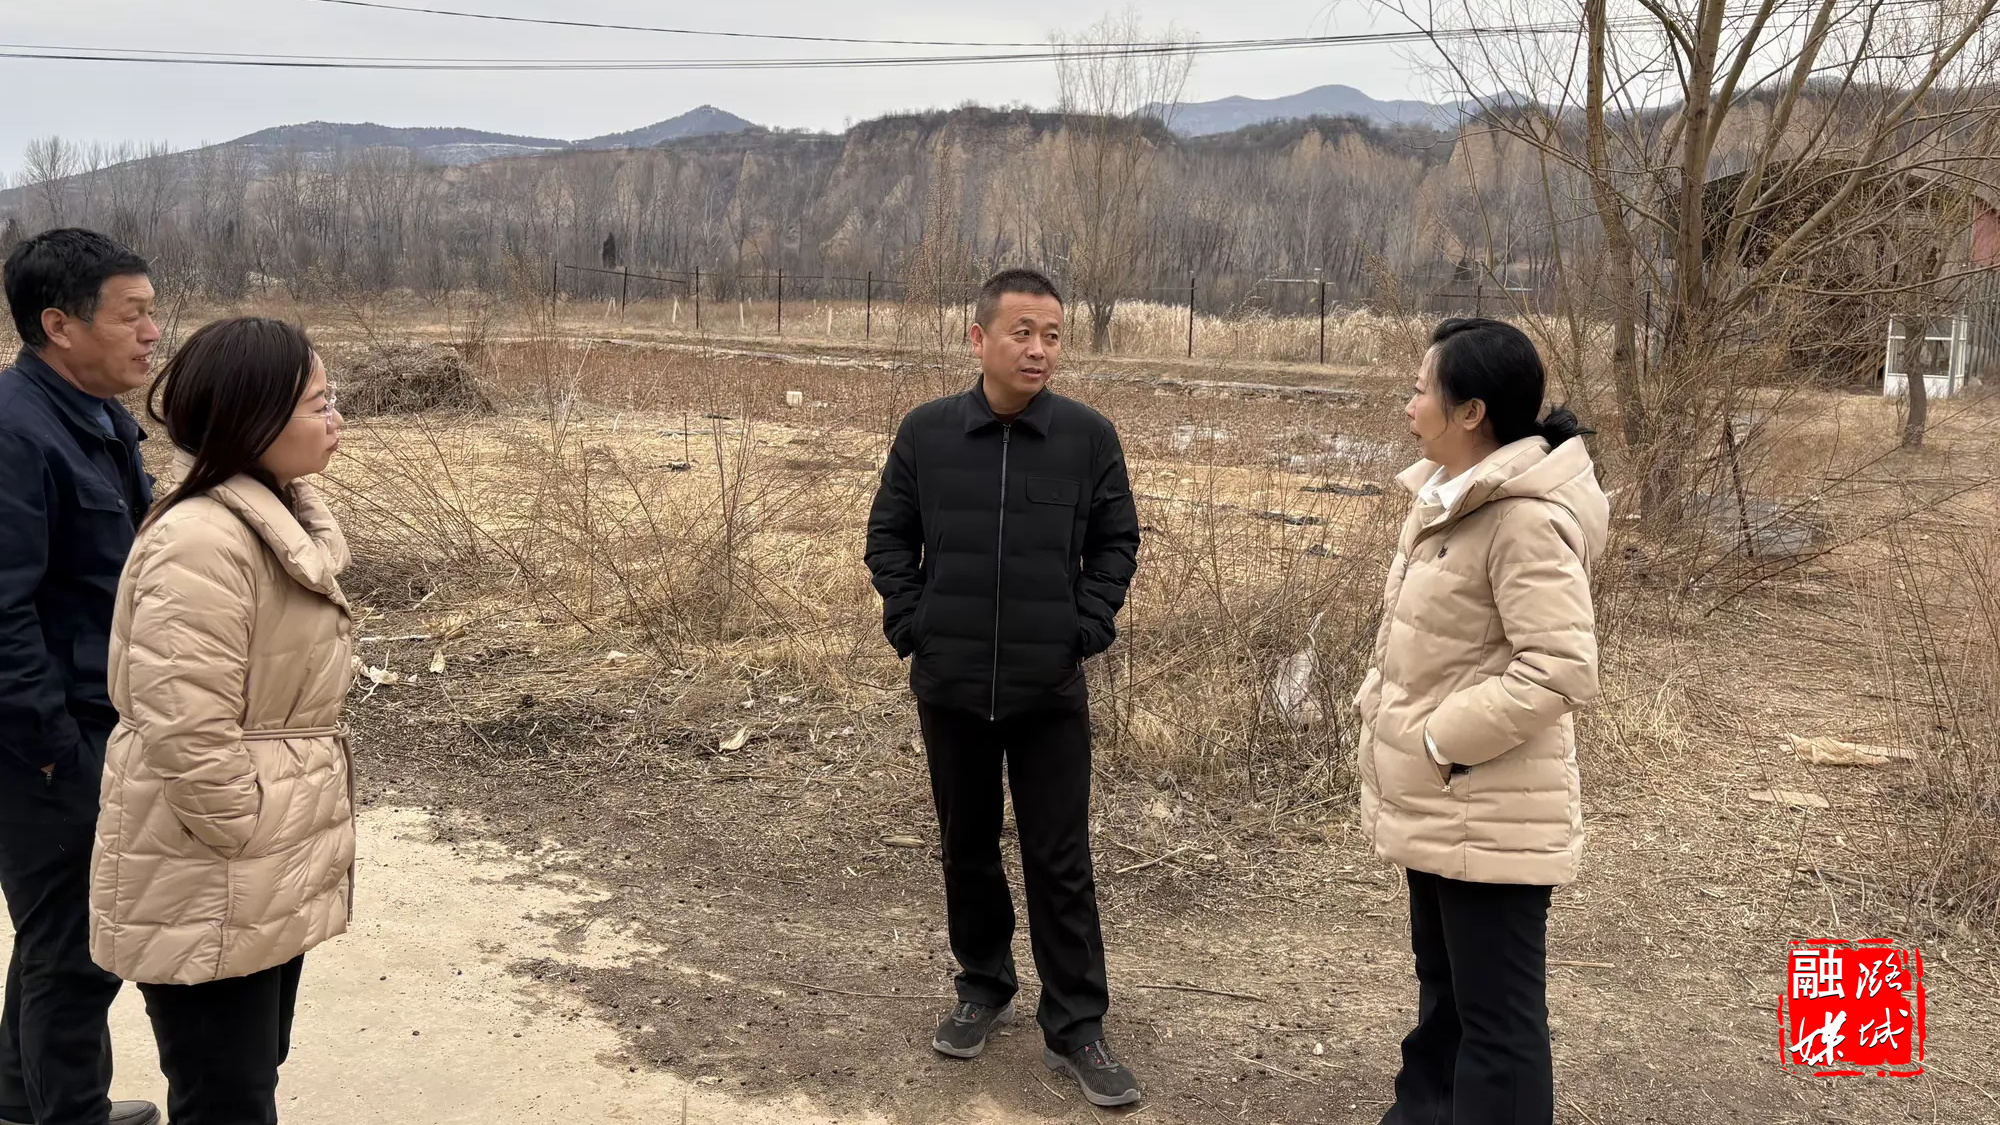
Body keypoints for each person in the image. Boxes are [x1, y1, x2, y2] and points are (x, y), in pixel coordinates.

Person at [864, 269, 1142, 1107]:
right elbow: (888, 536)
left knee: (1060, 857)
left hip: (1047, 687)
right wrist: (915, 623)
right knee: (968, 845)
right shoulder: (928, 434)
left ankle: (1077, 1024)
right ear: (978, 338)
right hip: (950, 684)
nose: (1039, 349)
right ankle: (982, 985)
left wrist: (1082, 629)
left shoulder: (1086, 437)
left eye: (1052, 335)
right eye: (1023, 332)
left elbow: (1117, 542)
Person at [89, 316, 353, 1125]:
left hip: (257, 868)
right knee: (223, 1096)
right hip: (210, 865)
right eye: (319, 402)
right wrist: (244, 825)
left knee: (247, 1076)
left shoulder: (269, 517)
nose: (336, 417)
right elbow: (185, 720)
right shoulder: (201, 540)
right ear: (256, 418)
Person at [1354, 317, 1608, 1125]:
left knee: (1497, 1021)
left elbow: (1559, 667)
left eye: (1421, 390)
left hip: (1492, 807)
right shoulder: (1450, 498)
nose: (1409, 406)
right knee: (1447, 994)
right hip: (1444, 798)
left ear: (1471, 412)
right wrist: (1386, 711)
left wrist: (1438, 739)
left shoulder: (1522, 518)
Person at [0, 229, 162, 1125]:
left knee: (52, 933)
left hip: (87, 722)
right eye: (131, 314)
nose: (152, 331)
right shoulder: (15, 432)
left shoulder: (95, 418)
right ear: (60, 325)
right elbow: (1, 610)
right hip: (46, 740)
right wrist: (54, 751)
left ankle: (19, 1102)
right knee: (77, 947)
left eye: (151, 312)